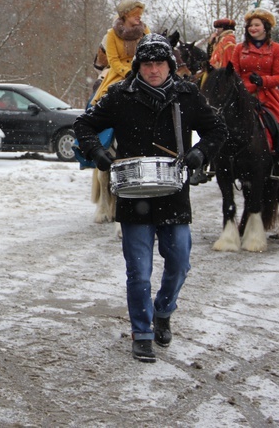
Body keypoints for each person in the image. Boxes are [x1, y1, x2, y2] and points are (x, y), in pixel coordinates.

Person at [73, 34, 227, 363]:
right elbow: (84, 124)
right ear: (138, 66)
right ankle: (141, 331)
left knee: (179, 263)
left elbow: (218, 129)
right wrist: (98, 152)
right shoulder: (120, 95)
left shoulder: (187, 95)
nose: (153, 69)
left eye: (159, 63)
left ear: (169, 65)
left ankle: (164, 310)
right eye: (147, 63)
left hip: (173, 195)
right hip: (133, 197)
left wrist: (200, 153)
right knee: (139, 272)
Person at [230, 7, 279, 190]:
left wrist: (263, 80)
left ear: (265, 27)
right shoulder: (239, 49)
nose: (253, 28)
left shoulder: (276, 48)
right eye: (250, 25)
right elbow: (233, 73)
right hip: (243, 93)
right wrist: (244, 85)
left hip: (267, 93)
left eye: (257, 25)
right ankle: (216, 163)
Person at [90, 0, 150, 105]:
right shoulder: (111, 34)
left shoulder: (145, 31)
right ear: (126, 14)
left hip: (142, 71)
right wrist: (127, 72)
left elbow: (150, 52)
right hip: (119, 73)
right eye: (136, 13)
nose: (139, 16)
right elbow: (113, 60)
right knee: (101, 100)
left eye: (140, 13)